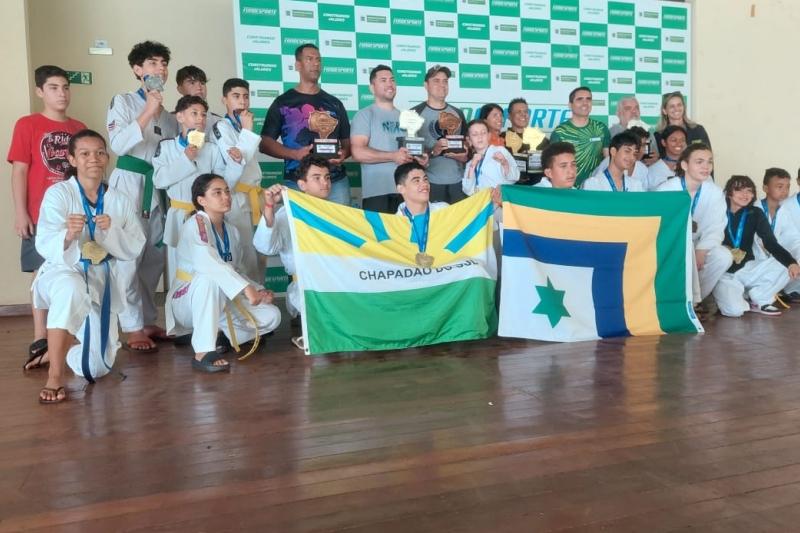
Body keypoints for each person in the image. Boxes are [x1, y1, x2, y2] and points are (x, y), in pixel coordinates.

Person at [33, 129, 146, 403]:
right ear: (72, 159)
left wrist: (113, 231)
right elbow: (44, 242)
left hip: (100, 277)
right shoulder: (58, 194)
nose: (93, 159)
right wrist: (69, 235)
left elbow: (135, 244)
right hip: (64, 271)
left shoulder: (118, 199)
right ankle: (55, 375)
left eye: (99, 153)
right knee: (71, 289)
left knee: (96, 368)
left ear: (107, 158)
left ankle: (60, 348)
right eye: (84, 154)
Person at [8, 65, 87, 370]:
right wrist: (20, 212)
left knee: (76, 269)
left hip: (74, 214)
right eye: (54, 88)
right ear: (40, 91)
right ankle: (41, 336)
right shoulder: (27, 124)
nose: (62, 93)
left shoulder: (79, 126)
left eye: (66, 87)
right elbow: (19, 170)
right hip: (40, 214)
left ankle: (71, 333)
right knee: (41, 272)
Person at [166, 174, 281, 372]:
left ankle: (219, 334)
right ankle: (203, 351)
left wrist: (258, 290)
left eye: (227, 191)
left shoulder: (231, 230)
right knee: (207, 278)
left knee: (272, 315)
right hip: (188, 300)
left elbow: (236, 270)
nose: (225, 196)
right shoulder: (196, 224)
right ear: (201, 201)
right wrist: (246, 289)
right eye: (217, 193)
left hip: (222, 300)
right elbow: (206, 262)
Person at [106, 40, 178, 352]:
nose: (159, 68)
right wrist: (148, 111)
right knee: (128, 256)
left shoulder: (169, 115)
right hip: (129, 183)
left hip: (158, 188)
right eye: (151, 63)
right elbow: (118, 145)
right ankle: (132, 325)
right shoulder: (122, 102)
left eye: (163, 63)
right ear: (137, 70)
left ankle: (149, 319)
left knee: (155, 256)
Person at [153, 95, 236, 286]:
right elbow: (159, 180)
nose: (200, 119)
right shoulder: (166, 147)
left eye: (204, 115)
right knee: (180, 271)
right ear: (180, 117)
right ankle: (178, 310)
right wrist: (186, 158)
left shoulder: (212, 149)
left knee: (209, 263)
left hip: (206, 215)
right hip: (179, 215)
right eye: (194, 113)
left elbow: (222, 181)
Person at [253, 155, 332, 350]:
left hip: (335, 280)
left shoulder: (336, 211)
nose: (325, 183)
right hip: (304, 286)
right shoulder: (287, 212)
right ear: (302, 184)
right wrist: (270, 207)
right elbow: (265, 247)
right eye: (317, 178)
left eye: (327, 177)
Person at [259, 43, 351, 205]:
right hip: (297, 182)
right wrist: (295, 154)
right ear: (298, 65)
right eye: (309, 59)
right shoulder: (283, 102)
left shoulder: (334, 103)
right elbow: (265, 144)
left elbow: (347, 142)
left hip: (334, 182)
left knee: (339, 230)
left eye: (318, 60)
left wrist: (344, 154)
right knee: (301, 230)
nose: (316, 64)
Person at [713, 175, 800, 316]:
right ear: (729, 192)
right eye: (739, 190)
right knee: (735, 311)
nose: (745, 195)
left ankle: (759, 298)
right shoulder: (717, 211)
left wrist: (791, 263)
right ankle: (737, 294)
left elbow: (770, 242)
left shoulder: (755, 213)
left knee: (788, 264)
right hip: (725, 274)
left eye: (749, 190)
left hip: (748, 268)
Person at [657, 144, 731, 303]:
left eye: (709, 162)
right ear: (684, 165)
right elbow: (660, 228)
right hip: (672, 247)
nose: (706, 166)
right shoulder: (666, 190)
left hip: (699, 245)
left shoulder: (715, 192)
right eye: (699, 161)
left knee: (723, 256)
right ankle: (675, 299)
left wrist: (702, 250)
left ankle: (694, 301)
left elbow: (716, 227)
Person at [350, 65, 427, 213]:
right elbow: (358, 152)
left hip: (407, 192)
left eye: (392, 80)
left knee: (407, 236)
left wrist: (420, 160)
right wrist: (393, 156)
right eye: (383, 80)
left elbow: (412, 151)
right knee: (380, 237)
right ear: (372, 87)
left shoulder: (407, 117)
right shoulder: (365, 115)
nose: (389, 84)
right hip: (377, 193)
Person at [211, 78, 262, 280]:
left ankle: (260, 294)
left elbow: (244, 156)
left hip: (253, 196)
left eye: (246, 97)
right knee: (243, 252)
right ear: (224, 100)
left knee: (258, 253)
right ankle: (247, 299)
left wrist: (246, 130)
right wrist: (248, 131)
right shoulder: (221, 127)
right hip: (235, 197)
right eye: (236, 96)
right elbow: (236, 160)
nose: (242, 101)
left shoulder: (242, 126)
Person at [410, 65, 469, 203]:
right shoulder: (414, 113)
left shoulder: (457, 113)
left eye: (445, 81)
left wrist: (465, 155)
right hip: (428, 183)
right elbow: (409, 151)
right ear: (426, 85)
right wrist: (432, 152)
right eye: (436, 81)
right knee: (433, 224)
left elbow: (467, 145)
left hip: (458, 182)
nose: (442, 85)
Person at [549, 86, 610, 188]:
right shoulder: (560, 132)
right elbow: (554, 165)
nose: (585, 103)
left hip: (596, 189)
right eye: (580, 99)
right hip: (569, 190)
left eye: (588, 99)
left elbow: (608, 161)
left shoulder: (601, 128)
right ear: (570, 105)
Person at [755, 168, 800, 297]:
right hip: (756, 262)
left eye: (787, 187)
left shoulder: (782, 211)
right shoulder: (754, 209)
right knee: (734, 308)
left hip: (774, 260)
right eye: (779, 187)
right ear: (765, 188)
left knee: (789, 264)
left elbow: (792, 238)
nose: (784, 191)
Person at [462, 119, 519, 196]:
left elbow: (515, 177)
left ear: (489, 136)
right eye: (475, 134)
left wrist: (504, 163)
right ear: (469, 140)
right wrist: (473, 166)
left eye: (483, 133)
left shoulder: (500, 151)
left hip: (501, 201)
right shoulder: (470, 163)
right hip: (482, 203)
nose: (480, 137)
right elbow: (467, 190)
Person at [503, 97, 548, 185]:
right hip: (512, 189)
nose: (523, 114)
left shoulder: (540, 137)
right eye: (518, 112)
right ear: (509, 116)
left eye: (526, 111)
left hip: (538, 189)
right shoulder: (501, 139)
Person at [655, 91, 711, 158]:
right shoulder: (658, 135)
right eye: (672, 106)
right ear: (664, 111)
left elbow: (708, 156)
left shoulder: (698, 130)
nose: (676, 109)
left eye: (679, 105)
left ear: (684, 107)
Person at [175, 65, 222, 136]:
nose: (199, 87)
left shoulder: (218, 121)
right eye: (192, 83)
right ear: (180, 89)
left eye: (202, 83)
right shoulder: (171, 119)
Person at [608, 96, 657, 163]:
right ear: (618, 114)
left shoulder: (648, 133)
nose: (634, 111)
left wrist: (656, 158)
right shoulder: (610, 134)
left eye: (636, 108)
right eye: (628, 108)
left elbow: (655, 155)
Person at [646, 125, 687, 191]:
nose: (678, 143)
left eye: (682, 140)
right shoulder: (652, 171)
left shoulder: (692, 167)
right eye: (674, 140)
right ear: (664, 142)